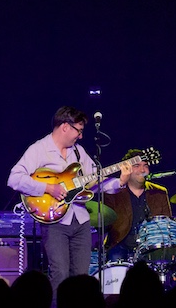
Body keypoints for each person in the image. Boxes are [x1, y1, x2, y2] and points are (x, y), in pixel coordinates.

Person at [8, 106, 128, 292]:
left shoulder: (79, 152)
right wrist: (48, 188)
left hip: (81, 221)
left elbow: (95, 181)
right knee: (60, 274)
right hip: (55, 222)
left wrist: (120, 181)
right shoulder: (39, 149)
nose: (80, 136)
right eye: (78, 131)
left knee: (81, 277)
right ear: (65, 127)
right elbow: (14, 179)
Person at [101, 148, 173, 264]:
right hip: (121, 245)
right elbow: (104, 224)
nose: (142, 170)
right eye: (137, 166)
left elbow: (167, 224)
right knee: (115, 257)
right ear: (127, 169)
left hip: (151, 247)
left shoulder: (160, 192)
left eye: (145, 165)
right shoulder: (112, 192)